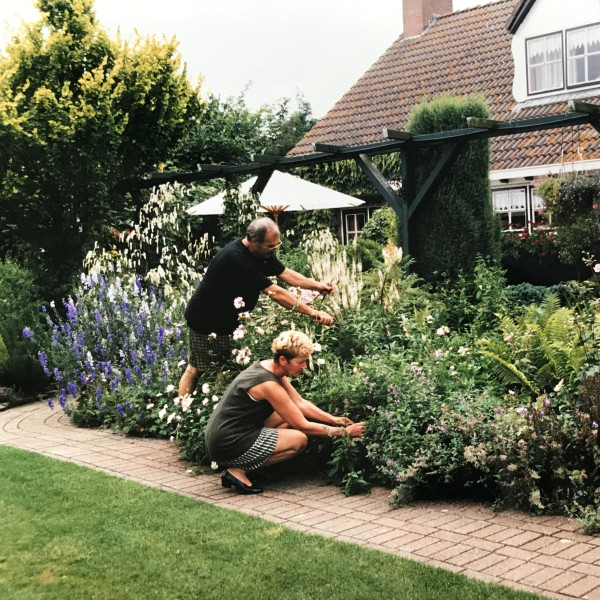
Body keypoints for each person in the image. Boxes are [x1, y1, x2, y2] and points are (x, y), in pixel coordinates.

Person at [179, 217, 335, 397]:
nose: (275, 249)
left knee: (227, 369)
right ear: (254, 241)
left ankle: (218, 406)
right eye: (270, 246)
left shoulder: (262, 253)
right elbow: (276, 293)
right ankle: (186, 408)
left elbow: (285, 273)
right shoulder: (237, 259)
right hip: (207, 319)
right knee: (197, 368)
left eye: (277, 244)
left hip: (230, 321)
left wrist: (317, 286)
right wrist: (313, 312)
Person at [205, 330, 366, 494]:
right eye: (300, 362)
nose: (305, 366)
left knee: (288, 415)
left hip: (228, 433)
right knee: (299, 440)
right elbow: (303, 425)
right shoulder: (268, 384)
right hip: (227, 442)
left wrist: (332, 419)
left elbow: (299, 403)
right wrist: (344, 432)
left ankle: (247, 466)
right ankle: (238, 471)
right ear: (283, 360)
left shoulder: (271, 368)